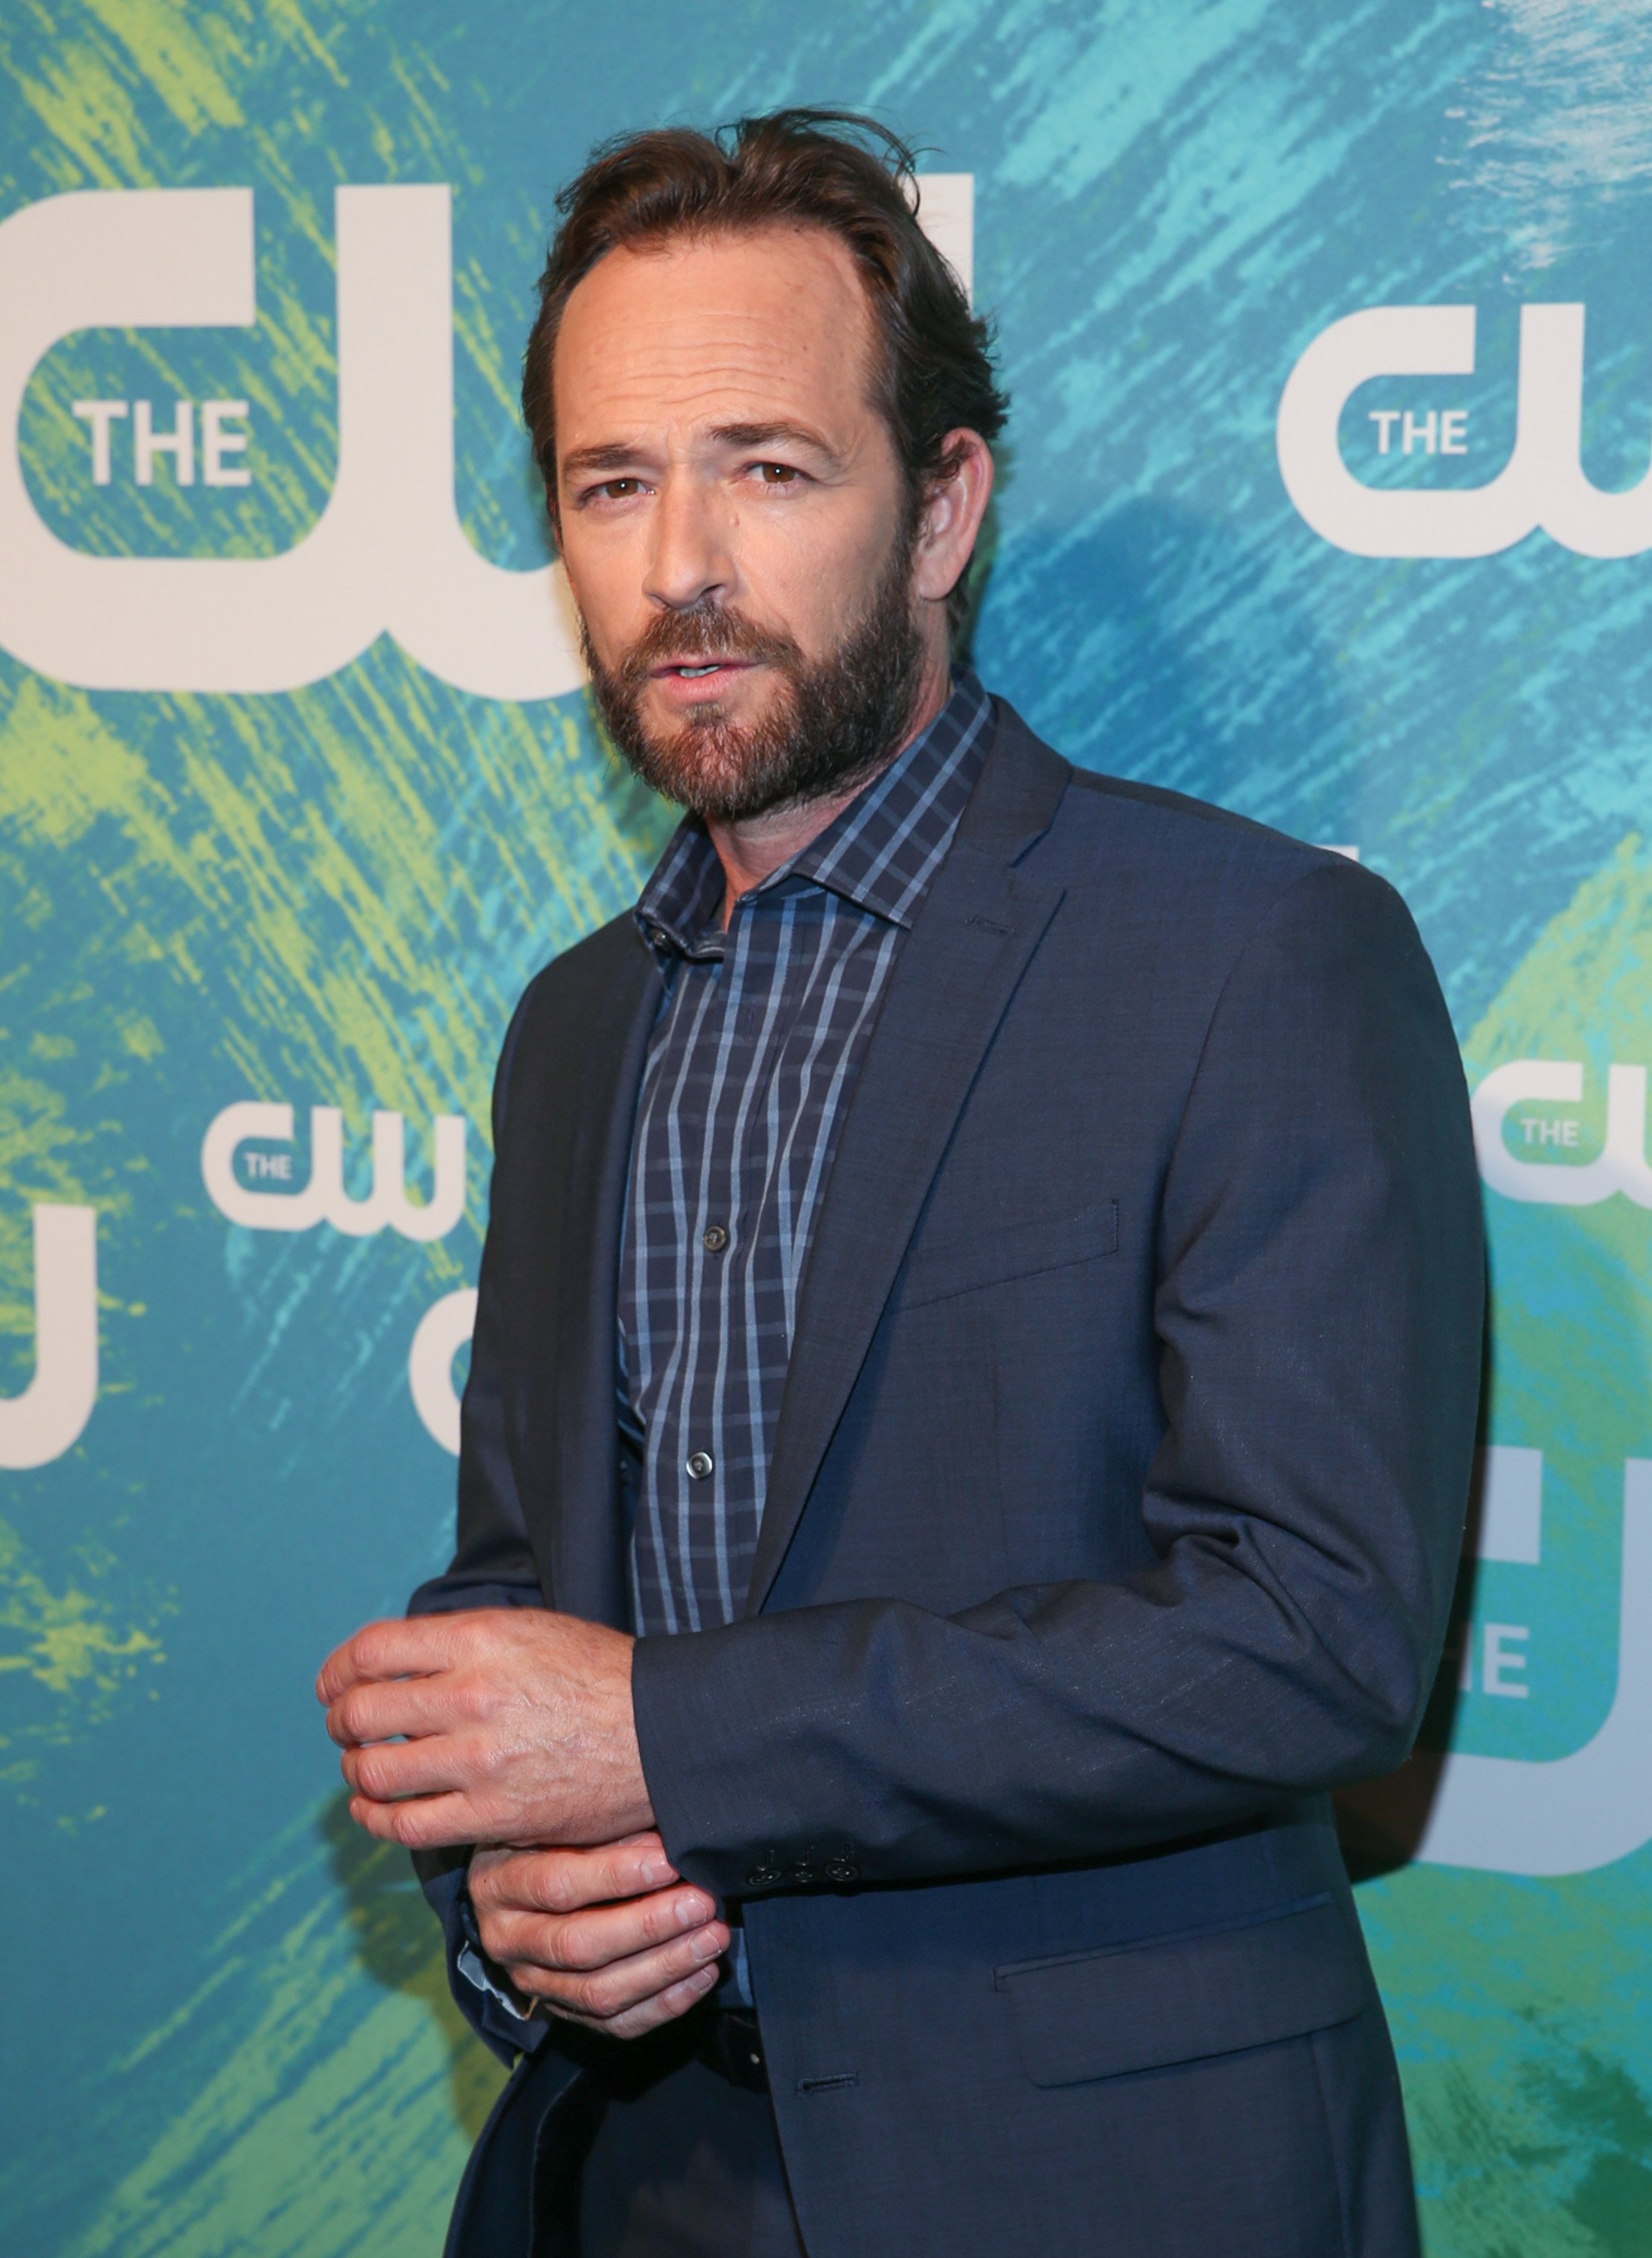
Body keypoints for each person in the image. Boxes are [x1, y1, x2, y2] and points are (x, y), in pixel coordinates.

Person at [317, 108, 1483, 2258]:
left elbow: (1317, 1635)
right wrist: (517, 1907)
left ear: (941, 508)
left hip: (1098, 2186)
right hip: (630, 2165)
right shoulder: (577, 1022)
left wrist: (659, 1736)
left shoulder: (1249, 955)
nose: (681, 560)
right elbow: (524, 1595)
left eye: (767, 468)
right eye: (610, 482)